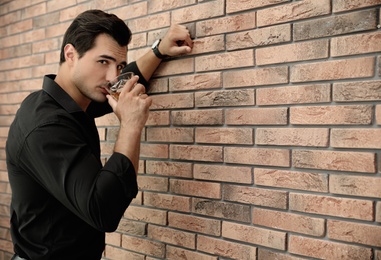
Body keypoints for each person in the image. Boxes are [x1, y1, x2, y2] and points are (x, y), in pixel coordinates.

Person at [5, 9, 193, 260]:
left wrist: (159, 50)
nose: (112, 77)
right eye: (102, 62)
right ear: (70, 54)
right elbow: (103, 211)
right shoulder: (46, 127)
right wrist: (131, 124)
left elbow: (116, 90)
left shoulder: (65, 101)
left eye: (119, 65)